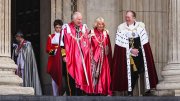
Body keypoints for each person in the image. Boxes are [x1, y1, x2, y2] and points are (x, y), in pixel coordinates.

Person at [112, 10, 158, 96]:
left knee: (142, 70)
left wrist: (139, 50)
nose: (127, 19)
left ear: (134, 18)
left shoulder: (140, 27)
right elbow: (120, 45)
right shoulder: (121, 28)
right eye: (126, 17)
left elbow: (144, 43)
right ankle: (129, 92)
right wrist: (130, 50)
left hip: (140, 54)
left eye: (129, 17)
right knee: (131, 72)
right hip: (127, 55)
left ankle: (146, 90)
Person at [63, 12, 93, 95]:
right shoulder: (66, 28)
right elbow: (62, 45)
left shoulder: (83, 28)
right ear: (73, 19)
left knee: (81, 79)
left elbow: (87, 42)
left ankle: (81, 97)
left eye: (81, 19)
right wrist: (64, 55)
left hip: (81, 61)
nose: (80, 21)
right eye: (78, 19)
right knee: (71, 82)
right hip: (70, 59)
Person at [89, 17, 112, 95]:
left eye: (102, 24)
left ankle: (102, 90)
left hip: (103, 58)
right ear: (96, 24)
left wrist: (106, 50)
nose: (100, 26)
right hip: (93, 57)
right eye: (99, 24)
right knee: (94, 73)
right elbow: (88, 45)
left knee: (103, 74)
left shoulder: (105, 33)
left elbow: (108, 45)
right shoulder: (91, 32)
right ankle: (93, 90)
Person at [46, 19, 66, 96]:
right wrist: (55, 52)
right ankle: (55, 96)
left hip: (61, 60)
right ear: (54, 28)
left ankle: (61, 94)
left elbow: (63, 48)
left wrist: (64, 56)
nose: (58, 29)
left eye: (59, 27)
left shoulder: (63, 37)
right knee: (54, 78)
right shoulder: (51, 37)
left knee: (61, 77)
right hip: (53, 59)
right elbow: (47, 49)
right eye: (56, 27)